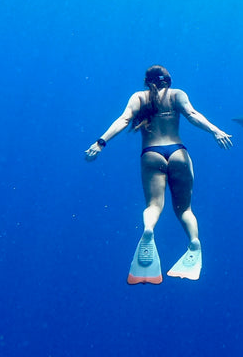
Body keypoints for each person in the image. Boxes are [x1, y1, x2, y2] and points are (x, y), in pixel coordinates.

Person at [84, 65, 232, 284]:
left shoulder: (138, 98)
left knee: (154, 205)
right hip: (178, 152)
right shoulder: (176, 95)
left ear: (147, 81)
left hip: (151, 153)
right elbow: (192, 115)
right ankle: (193, 242)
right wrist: (216, 131)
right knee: (185, 210)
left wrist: (100, 142)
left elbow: (124, 120)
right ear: (168, 80)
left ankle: (148, 230)